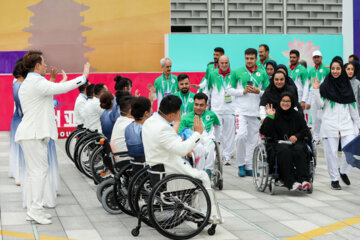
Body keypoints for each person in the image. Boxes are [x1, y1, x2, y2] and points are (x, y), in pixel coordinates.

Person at [15, 50, 89, 224]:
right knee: (38, 174)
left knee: (36, 173)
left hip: (33, 134)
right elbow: (59, 89)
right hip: (33, 134)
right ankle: (36, 210)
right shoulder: (35, 82)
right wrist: (83, 77)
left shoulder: (34, 82)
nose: (47, 65)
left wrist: (57, 80)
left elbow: (50, 90)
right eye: (44, 62)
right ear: (37, 65)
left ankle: (34, 209)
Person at [142, 95, 222, 223]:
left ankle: (199, 209)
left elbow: (169, 142)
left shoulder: (150, 121)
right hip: (168, 170)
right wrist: (197, 133)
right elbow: (181, 150)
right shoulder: (163, 128)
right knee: (202, 176)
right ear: (172, 114)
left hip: (156, 166)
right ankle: (208, 214)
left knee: (197, 171)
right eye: (179, 111)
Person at [312, 57, 360, 190]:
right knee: (331, 153)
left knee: (351, 150)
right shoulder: (325, 86)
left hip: (346, 125)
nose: (335, 71)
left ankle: (343, 171)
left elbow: (353, 109)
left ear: (342, 70)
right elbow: (320, 105)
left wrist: (359, 124)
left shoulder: (347, 87)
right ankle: (334, 179)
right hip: (329, 125)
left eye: (338, 68)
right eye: (333, 68)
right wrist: (316, 91)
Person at [227, 48, 269, 176]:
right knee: (240, 136)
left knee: (253, 140)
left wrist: (258, 92)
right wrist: (243, 92)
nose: (249, 61)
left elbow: (268, 92)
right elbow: (228, 90)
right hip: (241, 111)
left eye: (251, 58)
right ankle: (240, 165)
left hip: (255, 112)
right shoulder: (237, 72)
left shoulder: (262, 73)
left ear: (256, 59)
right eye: (247, 58)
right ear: (244, 58)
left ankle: (249, 166)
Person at [260, 92, 311, 191]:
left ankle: (304, 180)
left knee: (300, 149)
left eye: (288, 101)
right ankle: (290, 182)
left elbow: (305, 131)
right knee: (285, 151)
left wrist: (297, 136)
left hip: (295, 143)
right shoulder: (274, 114)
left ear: (292, 102)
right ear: (279, 102)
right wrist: (270, 117)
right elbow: (264, 131)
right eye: (283, 101)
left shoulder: (297, 115)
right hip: (277, 143)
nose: (285, 103)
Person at [179, 93, 221, 175]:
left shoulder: (211, 115)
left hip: (207, 139)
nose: (198, 107)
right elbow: (180, 134)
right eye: (196, 104)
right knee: (199, 148)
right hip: (194, 140)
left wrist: (217, 140)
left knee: (212, 146)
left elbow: (218, 126)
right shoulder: (186, 117)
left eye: (201, 105)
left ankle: (209, 171)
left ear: (206, 105)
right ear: (193, 104)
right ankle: (199, 173)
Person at [204, 55, 235, 165]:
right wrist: (206, 106)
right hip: (216, 109)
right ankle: (217, 154)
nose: (224, 65)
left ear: (229, 63)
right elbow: (207, 91)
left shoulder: (234, 75)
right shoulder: (212, 74)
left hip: (230, 109)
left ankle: (227, 156)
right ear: (219, 63)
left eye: (226, 63)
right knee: (217, 134)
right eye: (222, 63)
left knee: (229, 134)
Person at [9, 59, 28, 186]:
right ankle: (19, 175)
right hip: (21, 117)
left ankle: (17, 173)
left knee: (17, 147)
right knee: (20, 148)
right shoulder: (20, 83)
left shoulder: (16, 82)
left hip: (17, 117)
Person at [308, 50, 330, 143]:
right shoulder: (311, 71)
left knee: (322, 117)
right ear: (313, 59)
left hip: (324, 96)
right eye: (315, 57)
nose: (316, 59)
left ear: (321, 58)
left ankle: (324, 136)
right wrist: (308, 100)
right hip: (313, 96)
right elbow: (309, 85)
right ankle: (316, 137)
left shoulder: (326, 69)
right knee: (315, 118)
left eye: (318, 57)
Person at [125, 97, 152, 167]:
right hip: (146, 162)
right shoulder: (145, 129)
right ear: (146, 113)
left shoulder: (128, 127)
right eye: (151, 108)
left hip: (134, 162)